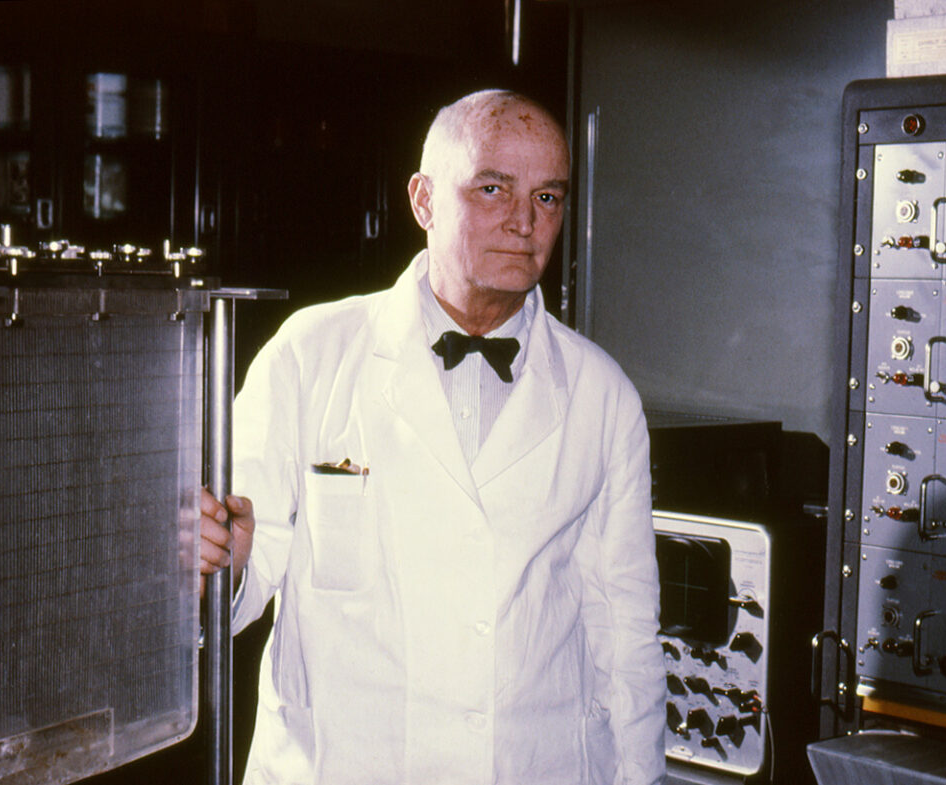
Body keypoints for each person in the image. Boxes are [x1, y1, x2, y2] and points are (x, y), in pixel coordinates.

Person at [200, 89, 666, 785]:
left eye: (548, 198)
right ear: (423, 200)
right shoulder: (310, 353)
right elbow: (240, 573)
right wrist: (223, 561)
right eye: (492, 188)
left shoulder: (604, 395)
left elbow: (627, 634)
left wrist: (643, 777)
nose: (522, 221)